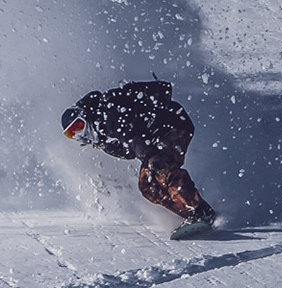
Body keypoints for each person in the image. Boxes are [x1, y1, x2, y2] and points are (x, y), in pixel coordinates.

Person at [61, 79, 218, 238]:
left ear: (85, 116)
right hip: (154, 140)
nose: (79, 134)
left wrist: (150, 156)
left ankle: (198, 211)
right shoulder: (102, 134)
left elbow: (134, 137)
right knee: (148, 187)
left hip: (173, 125)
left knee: (163, 170)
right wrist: (117, 148)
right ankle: (195, 213)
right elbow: (130, 151)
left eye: (78, 126)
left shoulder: (108, 113)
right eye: (72, 134)